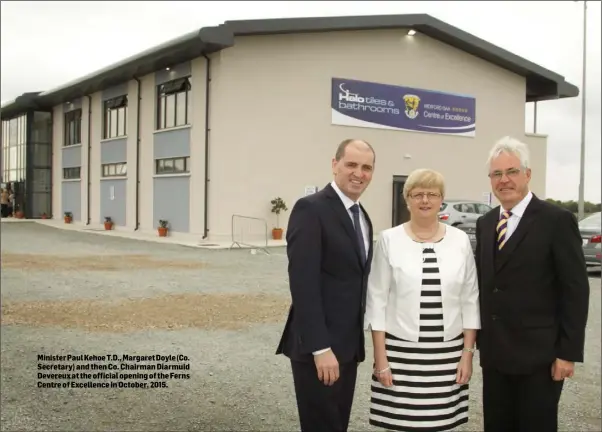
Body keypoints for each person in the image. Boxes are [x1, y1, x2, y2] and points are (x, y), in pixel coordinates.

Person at [475, 136, 590, 432]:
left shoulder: (556, 221)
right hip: (496, 357)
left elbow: (575, 291)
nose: (504, 180)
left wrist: (567, 352)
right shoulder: (486, 224)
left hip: (539, 359)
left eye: (512, 171)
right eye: (496, 174)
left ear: (527, 174)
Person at [365, 168, 480, 432]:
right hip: (400, 353)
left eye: (432, 194)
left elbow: (470, 300)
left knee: (442, 424)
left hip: (447, 355)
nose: (425, 200)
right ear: (407, 200)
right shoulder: (389, 239)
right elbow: (377, 300)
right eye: (417, 194)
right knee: (398, 424)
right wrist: (380, 359)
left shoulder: (460, 240)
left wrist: (467, 354)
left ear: (442, 200)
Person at [276, 138, 376, 432]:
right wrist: (321, 349)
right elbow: (303, 283)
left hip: (347, 347)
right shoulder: (311, 209)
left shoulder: (362, 216)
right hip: (319, 349)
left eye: (367, 167)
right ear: (335, 165)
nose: (359, 173)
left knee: (337, 425)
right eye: (352, 165)